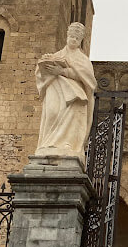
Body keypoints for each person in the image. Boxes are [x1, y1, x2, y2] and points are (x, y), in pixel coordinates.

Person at [35, 22, 96, 163]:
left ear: (80, 41)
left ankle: (69, 145)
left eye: (77, 38)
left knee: (73, 117)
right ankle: (48, 144)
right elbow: (40, 73)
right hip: (55, 91)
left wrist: (62, 71)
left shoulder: (83, 60)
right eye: (72, 37)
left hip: (75, 95)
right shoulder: (56, 55)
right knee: (52, 113)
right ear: (67, 37)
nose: (73, 40)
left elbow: (89, 80)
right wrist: (45, 62)